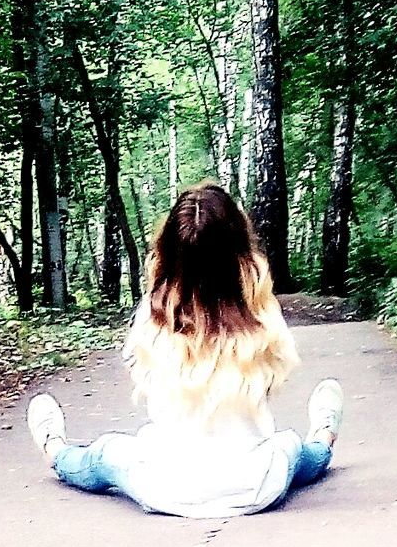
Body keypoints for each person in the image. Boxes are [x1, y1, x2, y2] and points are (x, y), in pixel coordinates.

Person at [25, 183, 343, 518]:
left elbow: (144, 379)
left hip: (167, 485)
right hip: (254, 485)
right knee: (294, 450)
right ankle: (324, 433)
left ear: (169, 251)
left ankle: (54, 448)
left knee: (104, 455)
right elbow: (274, 379)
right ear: (240, 251)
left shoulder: (152, 316)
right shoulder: (261, 317)